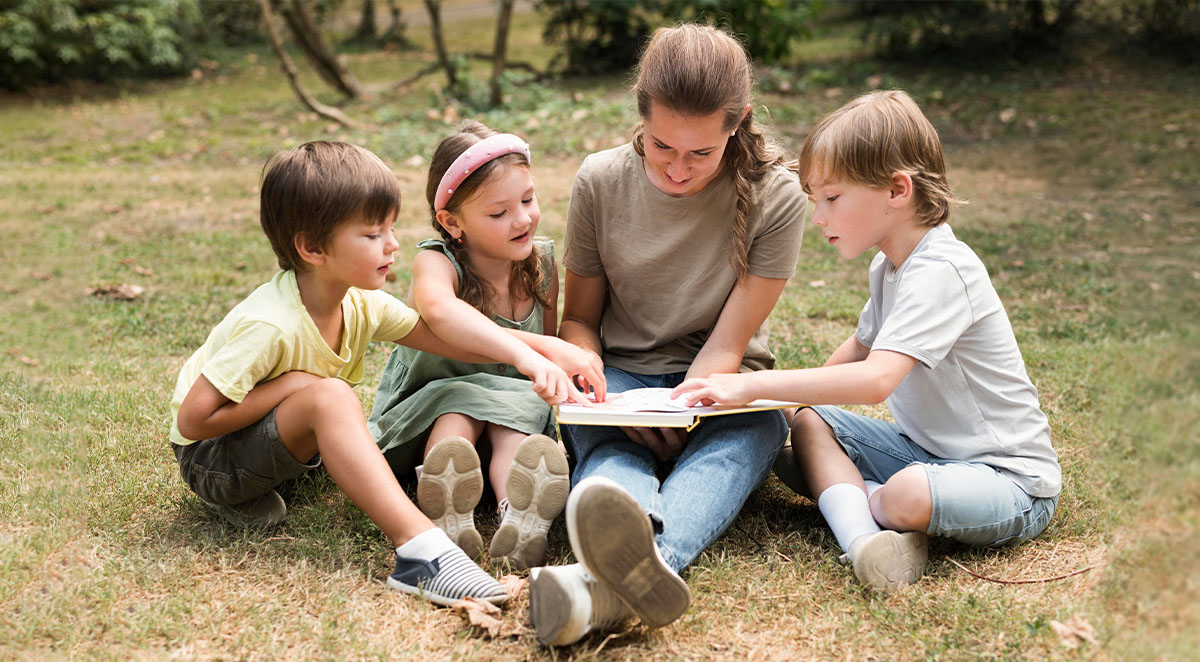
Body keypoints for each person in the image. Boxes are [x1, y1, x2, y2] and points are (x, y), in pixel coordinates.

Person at [672, 90, 1061, 593]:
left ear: (897, 190)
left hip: (1012, 482)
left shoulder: (943, 269)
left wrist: (750, 387)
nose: (819, 217)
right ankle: (866, 544)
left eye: (832, 198)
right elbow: (858, 348)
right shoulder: (890, 265)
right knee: (810, 428)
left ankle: (864, 506)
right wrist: (786, 409)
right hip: (928, 453)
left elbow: (876, 378)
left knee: (907, 494)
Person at [169, 141, 584, 608]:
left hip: (267, 451)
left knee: (330, 396)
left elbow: (449, 339)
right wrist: (296, 385)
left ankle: (247, 500)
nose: (392, 245)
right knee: (331, 397)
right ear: (311, 248)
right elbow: (193, 423)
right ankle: (421, 554)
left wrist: (546, 348)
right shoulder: (271, 323)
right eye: (372, 235)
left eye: (390, 229)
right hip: (211, 458)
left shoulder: (361, 304)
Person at [527, 24, 807, 646]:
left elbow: (729, 345)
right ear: (641, 119)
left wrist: (683, 410)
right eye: (661, 146)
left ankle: (616, 575)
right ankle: (625, 565)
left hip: (720, 381)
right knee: (606, 444)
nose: (678, 169)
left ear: (737, 125)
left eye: (701, 153)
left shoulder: (777, 194)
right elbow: (580, 322)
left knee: (758, 428)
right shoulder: (600, 180)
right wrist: (596, 388)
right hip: (621, 375)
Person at [369, 122, 602, 570]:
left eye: (528, 200)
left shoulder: (543, 267)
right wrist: (532, 351)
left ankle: (518, 514)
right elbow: (439, 312)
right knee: (460, 409)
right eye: (498, 213)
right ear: (451, 222)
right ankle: (443, 496)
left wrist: (557, 366)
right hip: (429, 405)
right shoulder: (437, 262)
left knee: (515, 418)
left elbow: (543, 354)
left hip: (508, 409)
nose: (522, 219)